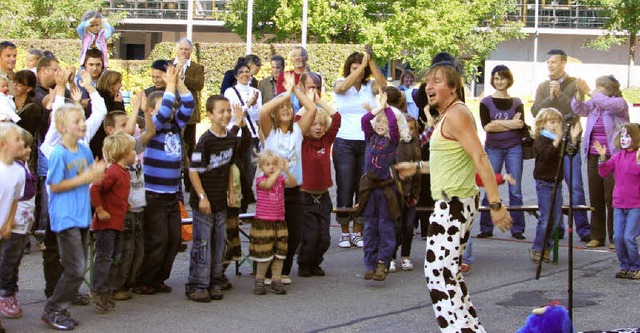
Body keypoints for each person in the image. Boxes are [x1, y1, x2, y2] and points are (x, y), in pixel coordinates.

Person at [396, 61, 512, 332]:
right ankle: (469, 328)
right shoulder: (447, 116)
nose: (429, 86)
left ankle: (458, 329)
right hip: (453, 203)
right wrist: (415, 167)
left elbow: (480, 158)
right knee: (448, 273)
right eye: (428, 81)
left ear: (453, 88)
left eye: (437, 81)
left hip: (454, 204)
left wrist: (496, 204)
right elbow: (449, 161)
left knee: (439, 274)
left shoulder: (457, 114)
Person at [41, 102, 106, 330]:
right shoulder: (59, 152)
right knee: (76, 268)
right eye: (77, 121)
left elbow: (89, 178)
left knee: (77, 268)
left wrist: (98, 174)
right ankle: (54, 309)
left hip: (81, 216)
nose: (82, 125)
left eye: (82, 120)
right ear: (62, 127)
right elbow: (56, 186)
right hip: (65, 216)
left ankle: (60, 307)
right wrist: (87, 177)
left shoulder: (85, 150)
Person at [134, 64, 194, 295]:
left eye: (168, 108)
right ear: (151, 110)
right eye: (160, 109)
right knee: (157, 239)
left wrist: (177, 81)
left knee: (173, 239)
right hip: (154, 193)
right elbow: (163, 109)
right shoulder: (153, 126)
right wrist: (169, 85)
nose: (167, 112)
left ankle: (160, 277)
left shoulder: (174, 126)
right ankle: (143, 279)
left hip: (171, 192)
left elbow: (188, 104)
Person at [185, 96, 249, 302]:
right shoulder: (205, 141)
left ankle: (215, 281)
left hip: (221, 200)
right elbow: (193, 171)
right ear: (210, 115)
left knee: (219, 243)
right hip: (204, 201)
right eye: (221, 111)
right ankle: (197, 284)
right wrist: (202, 196)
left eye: (228, 110)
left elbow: (229, 165)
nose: (226, 114)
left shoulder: (230, 138)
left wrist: (231, 191)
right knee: (202, 243)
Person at [258, 72, 317, 285]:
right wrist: (285, 95)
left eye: (289, 107)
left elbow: (311, 109)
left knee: (293, 234)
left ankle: (283, 271)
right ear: (275, 114)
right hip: (272, 190)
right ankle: (264, 273)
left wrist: (296, 91)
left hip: (293, 189)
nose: (285, 109)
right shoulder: (269, 130)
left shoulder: (298, 131)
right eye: (281, 108)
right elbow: (264, 110)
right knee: (271, 234)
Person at [531, 49, 591, 243]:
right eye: (547, 62)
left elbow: (575, 111)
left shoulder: (574, 84)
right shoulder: (542, 86)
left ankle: (583, 229)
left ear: (563, 63)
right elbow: (535, 112)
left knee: (575, 186)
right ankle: (558, 228)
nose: (550, 65)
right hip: (549, 143)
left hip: (569, 140)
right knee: (552, 185)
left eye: (553, 62)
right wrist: (550, 97)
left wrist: (561, 96)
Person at [333, 48, 387, 249]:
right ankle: (344, 232)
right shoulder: (341, 83)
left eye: (361, 69)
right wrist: (361, 66)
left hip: (367, 142)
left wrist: (370, 62)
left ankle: (358, 231)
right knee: (345, 187)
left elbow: (383, 85)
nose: (359, 72)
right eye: (354, 68)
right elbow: (342, 88)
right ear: (349, 68)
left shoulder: (369, 86)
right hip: (344, 142)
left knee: (363, 187)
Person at [572, 75, 629, 249]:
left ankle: (614, 237)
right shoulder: (595, 105)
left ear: (609, 89)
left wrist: (590, 92)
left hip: (613, 156)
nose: (595, 91)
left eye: (599, 88)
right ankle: (597, 235)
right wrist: (580, 94)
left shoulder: (618, 103)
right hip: (593, 155)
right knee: (595, 197)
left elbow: (606, 103)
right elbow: (578, 109)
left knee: (611, 197)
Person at [111, 93, 156, 302]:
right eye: (123, 124)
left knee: (138, 250)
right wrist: (136, 106)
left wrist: (146, 112)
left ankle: (130, 282)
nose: (129, 126)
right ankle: (117, 285)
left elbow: (149, 133)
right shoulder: (112, 149)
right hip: (125, 210)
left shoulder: (131, 147)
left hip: (139, 206)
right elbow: (128, 133)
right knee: (125, 251)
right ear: (110, 130)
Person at [477, 65, 526, 240]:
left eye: (503, 78)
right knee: (489, 185)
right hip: (493, 148)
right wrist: (510, 123)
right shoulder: (485, 102)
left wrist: (500, 124)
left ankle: (517, 228)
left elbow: (520, 125)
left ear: (508, 80)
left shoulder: (517, 102)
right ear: (492, 80)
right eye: (496, 78)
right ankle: (486, 227)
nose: (500, 82)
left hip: (514, 147)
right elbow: (487, 126)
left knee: (515, 189)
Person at [89, 131, 136, 312]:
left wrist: (125, 204)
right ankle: (98, 289)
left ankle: (106, 289)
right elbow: (95, 189)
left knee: (115, 257)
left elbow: (117, 194)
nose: (134, 154)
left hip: (117, 221)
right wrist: (100, 210)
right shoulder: (114, 172)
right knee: (105, 257)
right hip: (107, 224)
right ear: (124, 153)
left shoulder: (123, 173)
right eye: (132, 150)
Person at [297, 94, 341, 277]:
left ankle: (316, 262)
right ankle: (304, 264)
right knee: (310, 235)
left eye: (321, 124)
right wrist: (308, 102)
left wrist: (319, 101)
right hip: (305, 197)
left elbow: (337, 118)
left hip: (322, 197)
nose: (319, 127)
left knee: (324, 238)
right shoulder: (301, 141)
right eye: (314, 124)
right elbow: (296, 120)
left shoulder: (326, 140)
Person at [530, 108, 582, 264]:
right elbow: (547, 156)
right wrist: (557, 140)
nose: (556, 125)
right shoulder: (541, 139)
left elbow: (570, 153)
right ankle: (538, 248)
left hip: (556, 183)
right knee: (545, 218)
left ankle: (548, 247)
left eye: (558, 121)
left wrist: (573, 140)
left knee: (556, 218)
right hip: (544, 183)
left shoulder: (559, 140)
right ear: (542, 124)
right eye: (551, 122)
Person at [358, 91, 400, 282]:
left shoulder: (391, 142)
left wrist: (387, 108)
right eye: (379, 123)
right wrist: (378, 109)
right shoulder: (370, 137)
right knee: (369, 227)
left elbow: (392, 123)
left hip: (386, 189)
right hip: (370, 188)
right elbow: (365, 120)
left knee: (386, 226)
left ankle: (383, 262)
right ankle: (370, 264)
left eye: (384, 124)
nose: (382, 126)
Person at [596, 123, 640, 280]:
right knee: (618, 237)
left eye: (627, 136)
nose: (624, 139)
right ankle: (624, 265)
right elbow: (604, 171)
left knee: (629, 237)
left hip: (635, 205)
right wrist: (602, 158)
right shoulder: (617, 157)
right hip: (619, 205)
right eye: (622, 136)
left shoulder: (637, 157)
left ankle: (636, 266)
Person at [250, 150, 297, 295]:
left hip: (279, 221)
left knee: (279, 254)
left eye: (274, 164)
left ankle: (277, 279)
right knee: (264, 255)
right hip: (264, 222)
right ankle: (260, 279)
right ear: (261, 167)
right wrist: (278, 170)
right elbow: (268, 184)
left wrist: (287, 171)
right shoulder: (260, 180)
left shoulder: (281, 179)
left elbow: (293, 183)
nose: (272, 167)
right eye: (268, 165)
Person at [223, 61, 262, 213]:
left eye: (247, 71)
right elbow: (233, 116)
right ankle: (234, 207)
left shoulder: (256, 91)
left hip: (252, 135)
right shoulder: (230, 92)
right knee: (237, 170)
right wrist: (248, 105)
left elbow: (257, 114)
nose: (245, 74)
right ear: (236, 76)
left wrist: (249, 107)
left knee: (250, 170)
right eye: (241, 72)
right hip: (236, 135)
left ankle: (244, 207)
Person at [0, 127, 30, 320]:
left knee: (5, 264)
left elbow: (14, 200)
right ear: (2, 145)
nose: (22, 143)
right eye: (17, 140)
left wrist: (9, 222)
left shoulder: (19, 172)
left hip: (3, 228)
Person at [173, 38, 204, 193]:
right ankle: (175, 177)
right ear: (177, 50)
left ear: (191, 51)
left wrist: (184, 78)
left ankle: (190, 182)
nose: (184, 52)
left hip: (190, 115)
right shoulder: (168, 65)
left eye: (187, 49)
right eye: (181, 49)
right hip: (172, 112)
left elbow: (199, 85)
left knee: (189, 146)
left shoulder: (196, 67)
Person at [390, 114, 420, 273]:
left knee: (408, 227)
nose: (408, 132)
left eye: (411, 129)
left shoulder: (417, 143)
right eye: (405, 129)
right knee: (396, 226)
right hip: (397, 192)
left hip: (413, 192)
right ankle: (391, 256)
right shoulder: (393, 144)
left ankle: (405, 256)